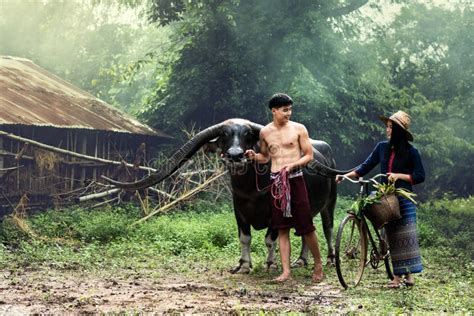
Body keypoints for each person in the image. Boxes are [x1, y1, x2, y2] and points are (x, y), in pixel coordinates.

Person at [336, 110, 425, 288]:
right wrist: (345, 175)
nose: (387, 130)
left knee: (405, 236)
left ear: (398, 131)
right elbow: (365, 166)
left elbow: (420, 176)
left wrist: (399, 176)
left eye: (390, 127)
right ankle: (395, 269)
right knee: (393, 234)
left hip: (402, 197)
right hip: (386, 196)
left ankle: (403, 277)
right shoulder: (381, 147)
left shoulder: (411, 152)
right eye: (387, 126)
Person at [245, 93, 324, 283]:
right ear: (274, 111)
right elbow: (265, 156)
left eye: (290, 109)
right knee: (281, 228)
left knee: (306, 226)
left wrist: (293, 165)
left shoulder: (298, 129)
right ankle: (286, 271)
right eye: (284, 110)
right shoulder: (265, 132)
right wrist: (254, 157)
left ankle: (319, 264)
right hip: (276, 183)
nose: (288, 113)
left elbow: (308, 155)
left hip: (295, 179)